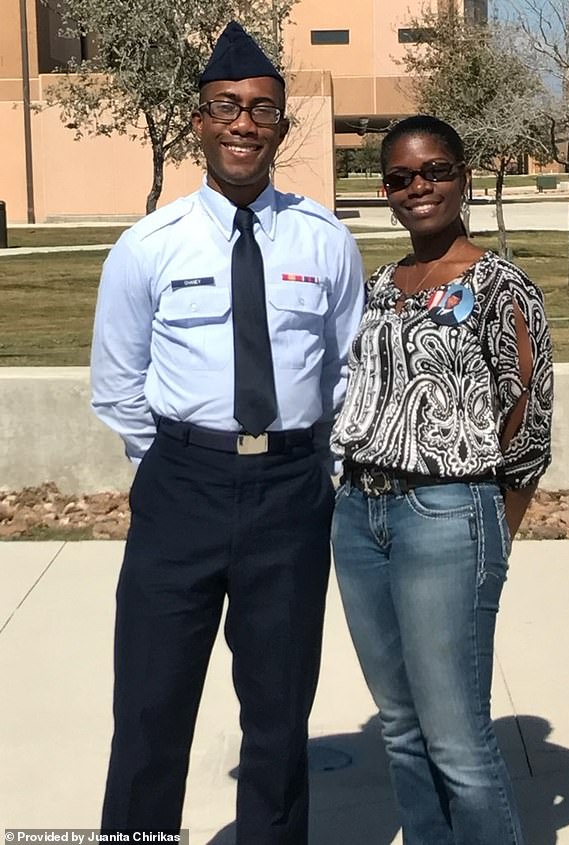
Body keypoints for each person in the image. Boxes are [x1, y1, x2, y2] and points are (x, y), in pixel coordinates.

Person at [90, 20, 364, 843]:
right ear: (199, 121)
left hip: (290, 495)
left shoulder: (326, 240)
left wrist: (312, 469)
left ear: (282, 125)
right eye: (226, 107)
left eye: (262, 110)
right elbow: (118, 382)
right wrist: (172, 464)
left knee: (279, 719)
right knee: (149, 709)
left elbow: (347, 372)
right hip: (181, 491)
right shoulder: (149, 247)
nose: (244, 123)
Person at [330, 115, 554, 845]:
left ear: (462, 175)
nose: (416, 187)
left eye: (434, 171)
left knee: (458, 740)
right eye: (399, 177)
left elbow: (530, 423)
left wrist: (491, 536)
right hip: (360, 515)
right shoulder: (379, 285)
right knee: (400, 728)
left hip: (447, 514)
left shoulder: (499, 286)